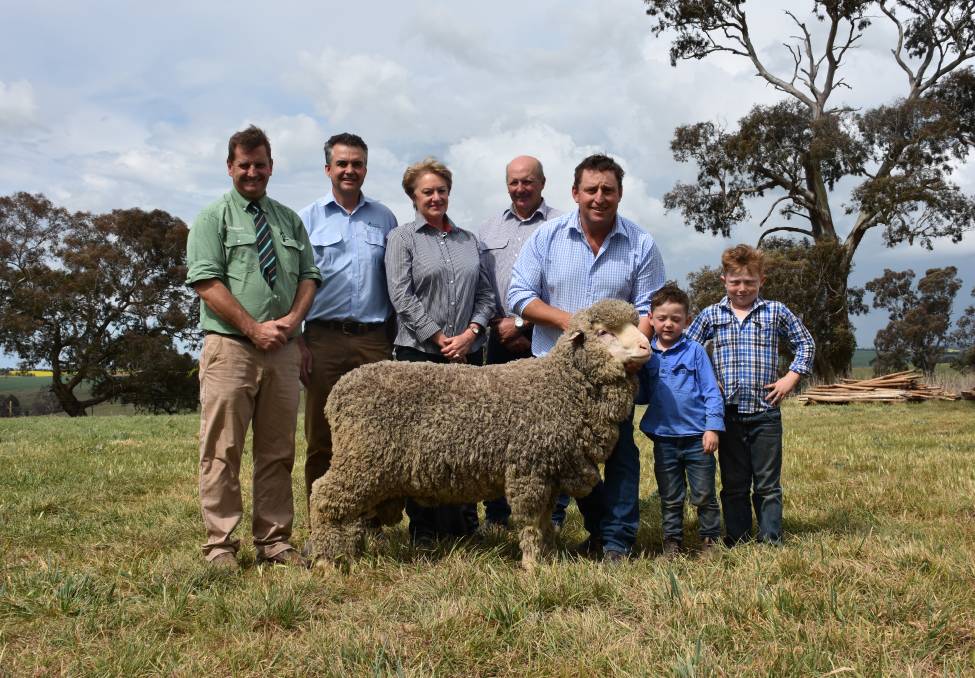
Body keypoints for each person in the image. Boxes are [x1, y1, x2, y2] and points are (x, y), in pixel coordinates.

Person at [508, 154, 666, 562]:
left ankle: (616, 542)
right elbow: (520, 295)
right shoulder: (547, 237)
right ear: (575, 193)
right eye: (591, 190)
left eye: (608, 190)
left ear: (619, 194)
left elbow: (650, 307)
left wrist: (632, 350)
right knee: (560, 456)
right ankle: (575, 531)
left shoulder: (640, 243)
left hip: (615, 376)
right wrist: (574, 323)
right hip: (554, 376)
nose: (599, 197)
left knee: (618, 453)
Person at [186, 125, 322, 570]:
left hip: (282, 350)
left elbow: (309, 276)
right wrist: (251, 328)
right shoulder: (213, 219)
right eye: (243, 165)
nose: (252, 172)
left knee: (278, 449)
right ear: (230, 167)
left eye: (259, 164)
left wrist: (293, 322)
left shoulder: (287, 220)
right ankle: (220, 546)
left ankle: (275, 540)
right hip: (231, 349)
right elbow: (207, 281)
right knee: (222, 449)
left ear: (270, 166)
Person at [384, 157, 496, 543]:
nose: (436, 197)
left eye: (441, 190)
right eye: (427, 192)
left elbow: (486, 295)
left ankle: (465, 527)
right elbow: (400, 294)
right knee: (421, 444)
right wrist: (436, 336)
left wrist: (470, 333)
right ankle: (425, 529)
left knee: (464, 441)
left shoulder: (471, 242)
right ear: (413, 197)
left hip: (464, 355)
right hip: (418, 354)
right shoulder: (402, 238)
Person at [685, 244, 814, 546]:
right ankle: (738, 537)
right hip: (727, 413)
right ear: (724, 280)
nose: (742, 288)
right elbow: (688, 351)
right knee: (734, 483)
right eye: (735, 282)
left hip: (765, 412)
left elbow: (806, 344)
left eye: (749, 282)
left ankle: (770, 539)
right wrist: (708, 382)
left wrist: (790, 378)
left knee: (768, 484)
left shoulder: (775, 312)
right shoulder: (711, 315)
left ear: (761, 281)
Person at [297, 133, 398, 513]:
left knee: (379, 432)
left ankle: (371, 518)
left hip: (373, 340)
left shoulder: (384, 217)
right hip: (322, 339)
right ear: (328, 169)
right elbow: (294, 282)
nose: (349, 170)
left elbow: (395, 280)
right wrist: (298, 340)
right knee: (322, 435)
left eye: (356, 164)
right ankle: (320, 520)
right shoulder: (307, 219)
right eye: (342, 164)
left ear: (365, 169)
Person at [478, 155, 562, 528]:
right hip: (496, 337)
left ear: (542, 183)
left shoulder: (561, 224)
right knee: (494, 428)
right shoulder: (488, 229)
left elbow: (563, 286)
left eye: (528, 181)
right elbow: (482, 283)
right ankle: (497, 515)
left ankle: (551, 515)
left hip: (543, 338)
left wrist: (523, 324)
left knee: (548, 432)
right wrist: (495, 325)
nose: (520, 188)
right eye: (514, 182)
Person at [636, 284, 723, 556]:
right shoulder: (645, 354)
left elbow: (711, 391)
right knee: (670, 496)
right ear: (650, 319)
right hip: (664, 438)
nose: (668, 324)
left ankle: (710, 540)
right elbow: (642, 396)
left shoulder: (695, 351)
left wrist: (712, 427)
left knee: (703, 493)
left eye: (676, 319)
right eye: (662, 318)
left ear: (687, 320)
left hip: (697, 438)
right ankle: (671, 543)